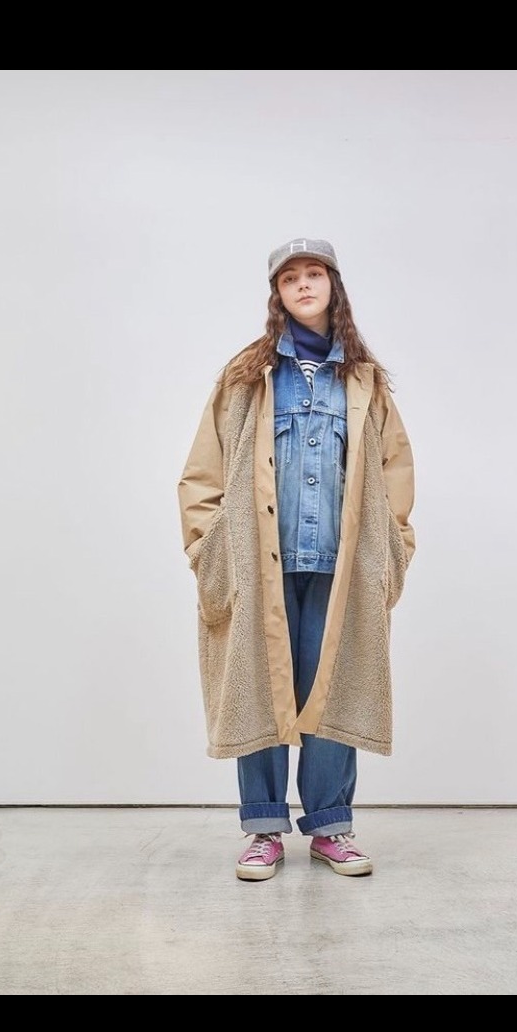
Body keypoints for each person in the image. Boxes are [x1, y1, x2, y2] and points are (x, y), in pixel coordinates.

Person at [178, 237, 416, 881]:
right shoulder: (245, 375)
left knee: (333, 692)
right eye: (290, 278)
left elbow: (395, 473)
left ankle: (331, 828)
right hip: (257, 567)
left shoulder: (364, 380)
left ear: (334, 286)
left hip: (341, 568)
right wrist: (206, 549)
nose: (304, 285)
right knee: (256, 691)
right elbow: (203, 471)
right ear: (276, 294)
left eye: (315, 274)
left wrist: (393, 550)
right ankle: (263, 829)